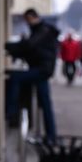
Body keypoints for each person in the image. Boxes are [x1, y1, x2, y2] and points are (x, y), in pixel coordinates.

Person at [5, 9, 59, 141]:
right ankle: (51, 135)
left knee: (15, 78)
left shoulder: (43, 30)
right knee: (45, 103)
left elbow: (30, 46)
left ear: (33, 17)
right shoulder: (41, 30)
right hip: (42, 69)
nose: (27, 23)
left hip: (41, 69)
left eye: (28, 20)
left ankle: (11, 112)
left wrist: (10, 47)